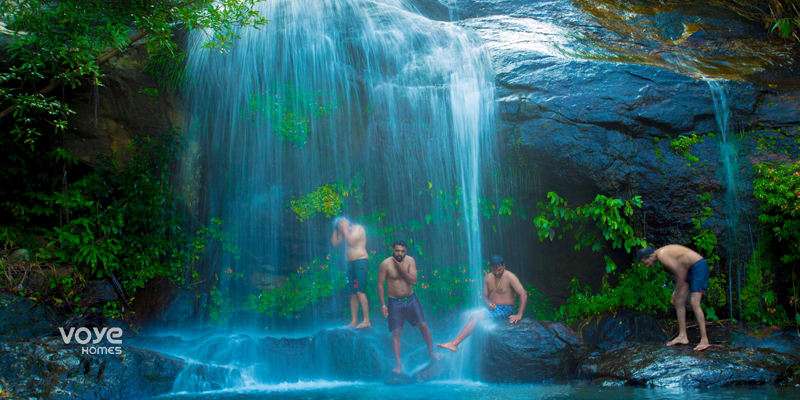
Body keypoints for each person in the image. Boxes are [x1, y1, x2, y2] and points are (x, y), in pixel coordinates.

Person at [436, 255, 527, 352]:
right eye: (494, 270)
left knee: (475, 317)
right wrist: (488, 303)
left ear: (504, 266)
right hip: (492, 308)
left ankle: (454, 344)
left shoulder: (510, 277)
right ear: (490, 267)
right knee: (465, 315)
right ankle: (464, 347)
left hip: (506, 309)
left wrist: (519, 314)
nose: (496, 273)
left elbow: (523, 294)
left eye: (499, 270)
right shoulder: (488, 277)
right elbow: (485, 297)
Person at [377, 240, 441, 373]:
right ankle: (398, 364)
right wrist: (383, 305)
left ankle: (432, 353)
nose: (400, 253)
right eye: (397, 251)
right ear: (393, 250)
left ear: (406, 251)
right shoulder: (385, 264)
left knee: (423, 325)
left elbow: (413, 280)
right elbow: (380, 284)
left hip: (410, 299)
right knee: (396, 333)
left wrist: (401, 269)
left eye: (402, 251)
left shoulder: (410, 261)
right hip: (394, 302)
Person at [637, 244, 710, 351]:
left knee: (694, 303)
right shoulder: (661, 254)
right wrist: (677, 293)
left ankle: (704, 340)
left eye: (646, 263)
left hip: (698, 267)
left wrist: (676, 291)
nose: (647, 266)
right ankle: (682, 336)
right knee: (678, 301)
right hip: (688, 269)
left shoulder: (662, 255)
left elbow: (681, 272)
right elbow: (681, 270)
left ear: (651, 255)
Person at [331, 216, 370, 329]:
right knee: (352, 293)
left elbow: (351, 242)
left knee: (360, 291)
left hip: (361, 262)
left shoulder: (358, 228)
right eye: (340, 224)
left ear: (348, 222)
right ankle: (354, 320)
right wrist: (335, 228)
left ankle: (366, 320)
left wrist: (345, 229)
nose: (341, 225)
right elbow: (334, 243)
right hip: (350, 264)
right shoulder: (344, 232)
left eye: (343, 223)